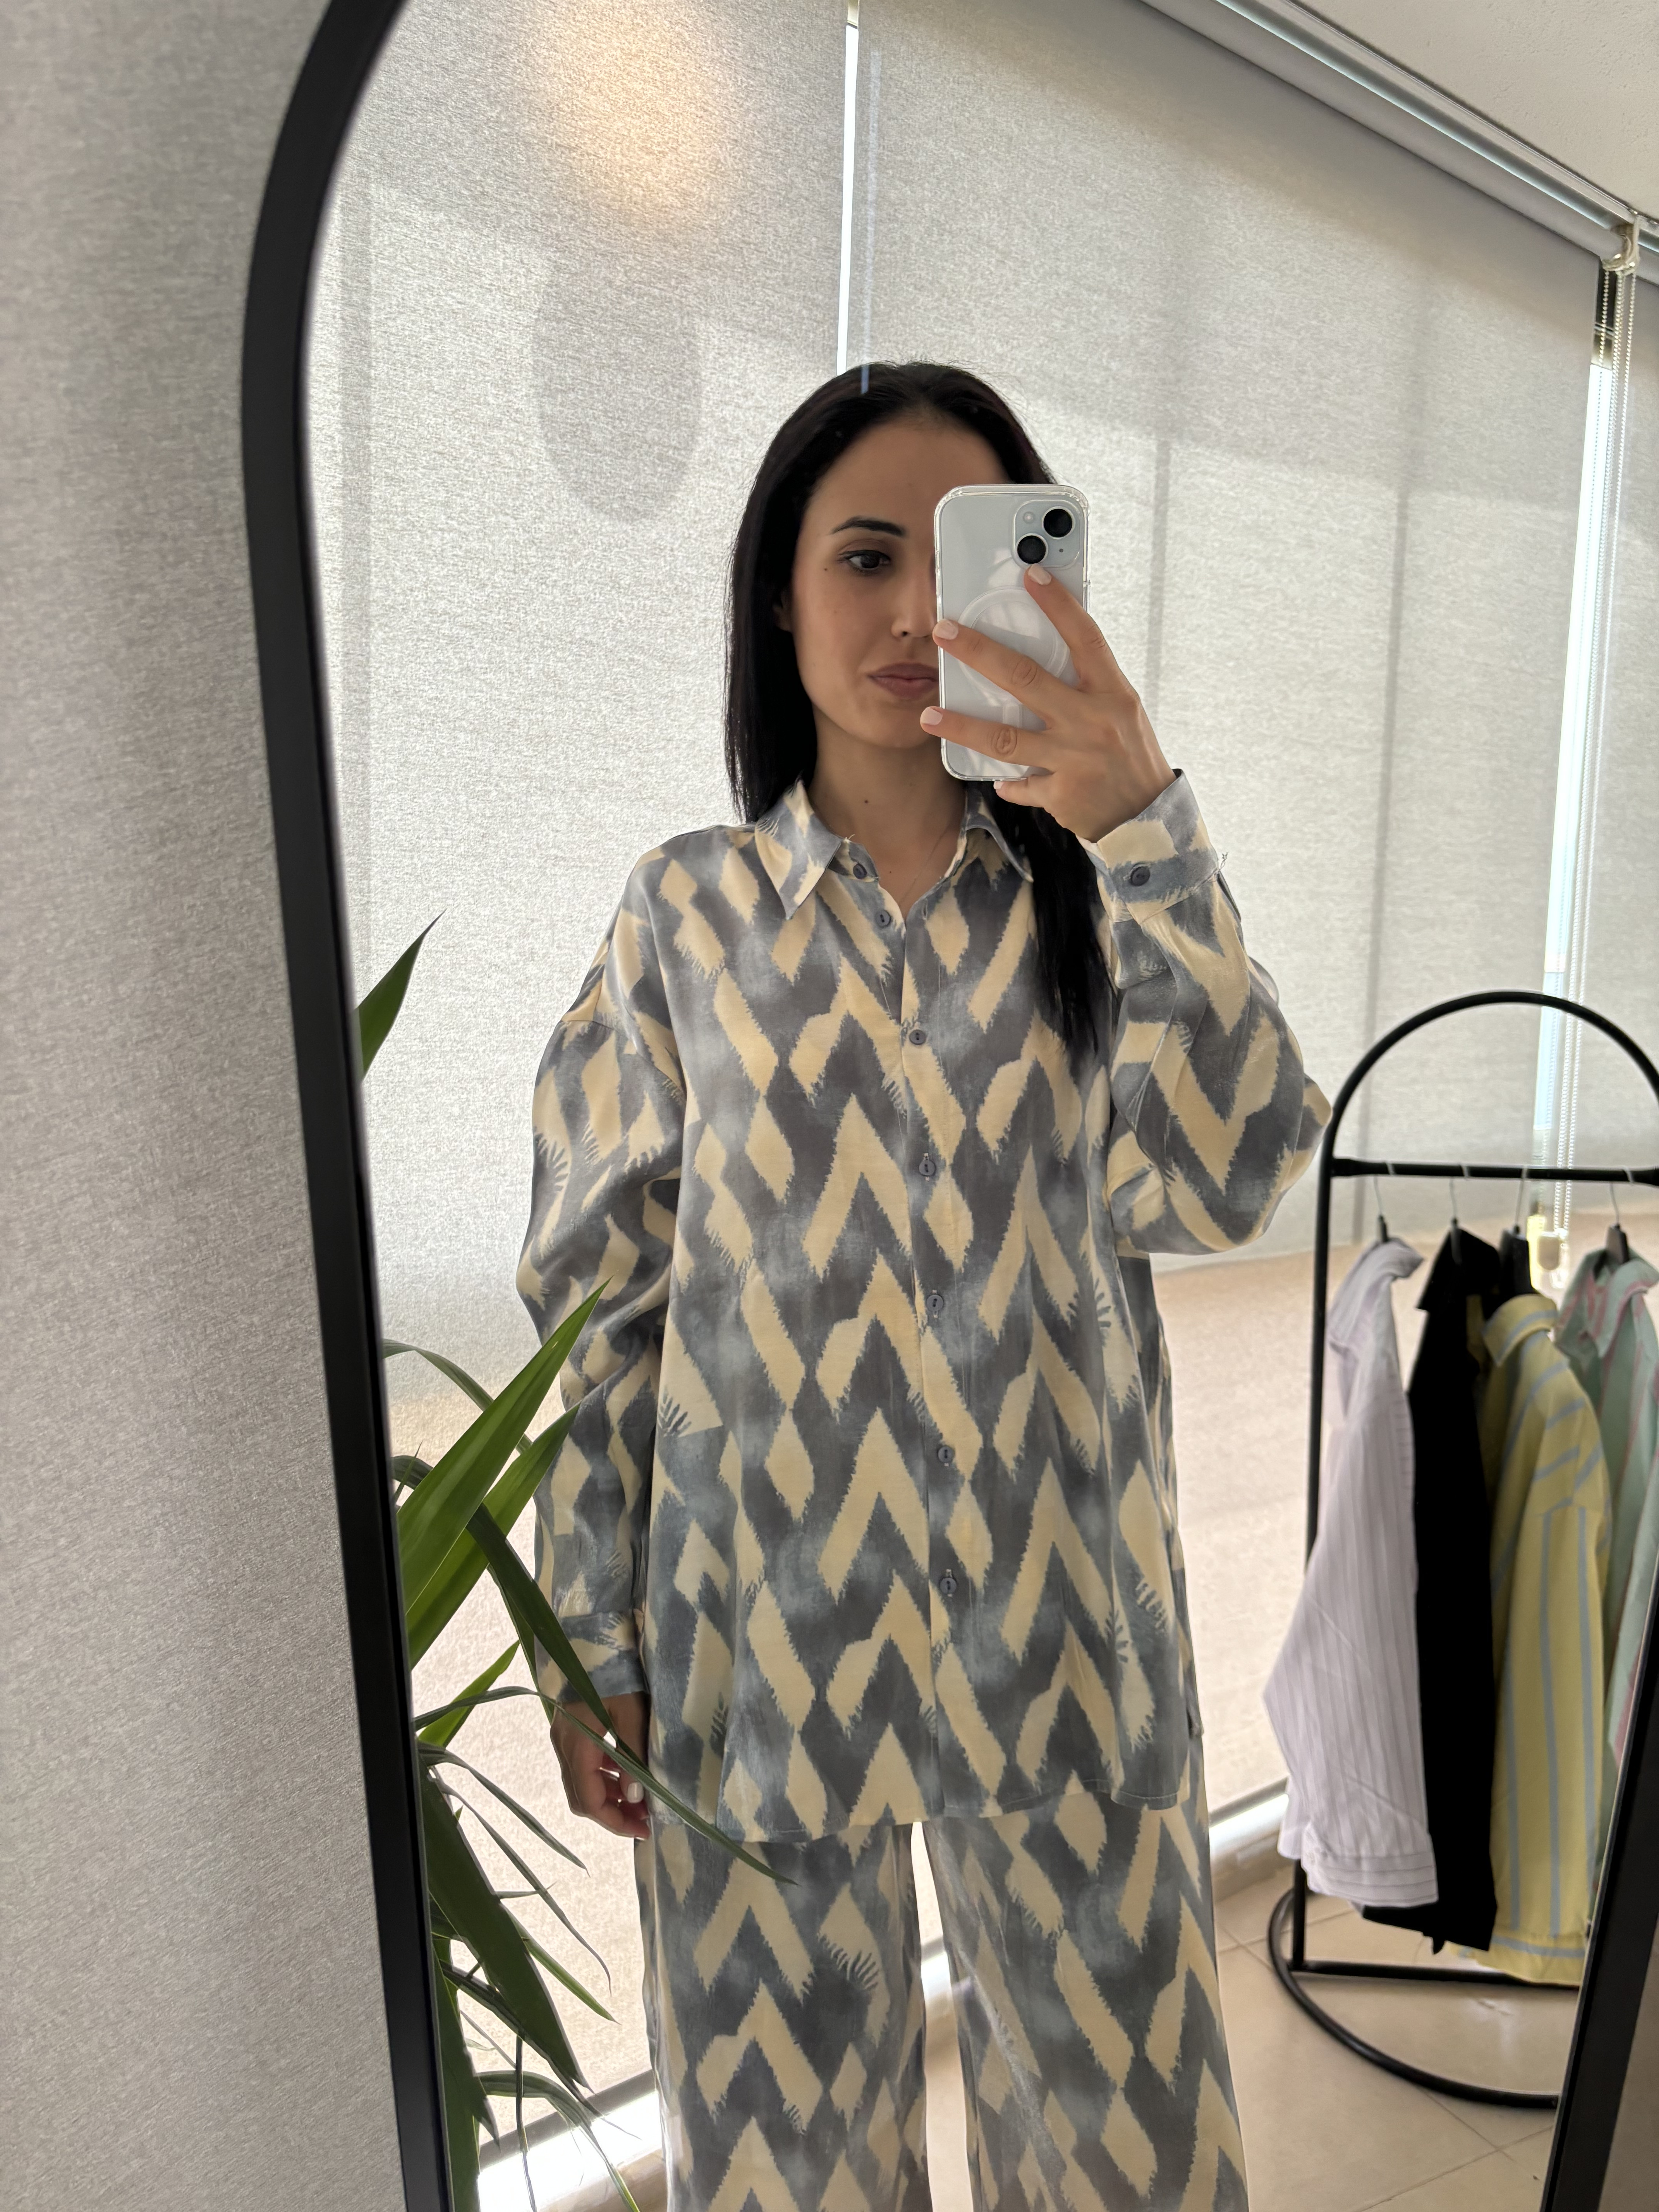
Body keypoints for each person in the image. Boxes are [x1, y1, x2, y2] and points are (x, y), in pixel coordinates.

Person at [519, 362, 1329, 2212]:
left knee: (1127, 2164)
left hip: (1067, 1654)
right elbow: (604, 1308)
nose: (908, 616)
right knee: (785, 2178)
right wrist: (589, 1641)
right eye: (862, 556)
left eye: (960, 563)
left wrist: (1146, 819)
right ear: (777, 597)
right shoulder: (681, 919)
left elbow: (1231, 1175)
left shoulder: (1103, 906)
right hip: (755, 1657)